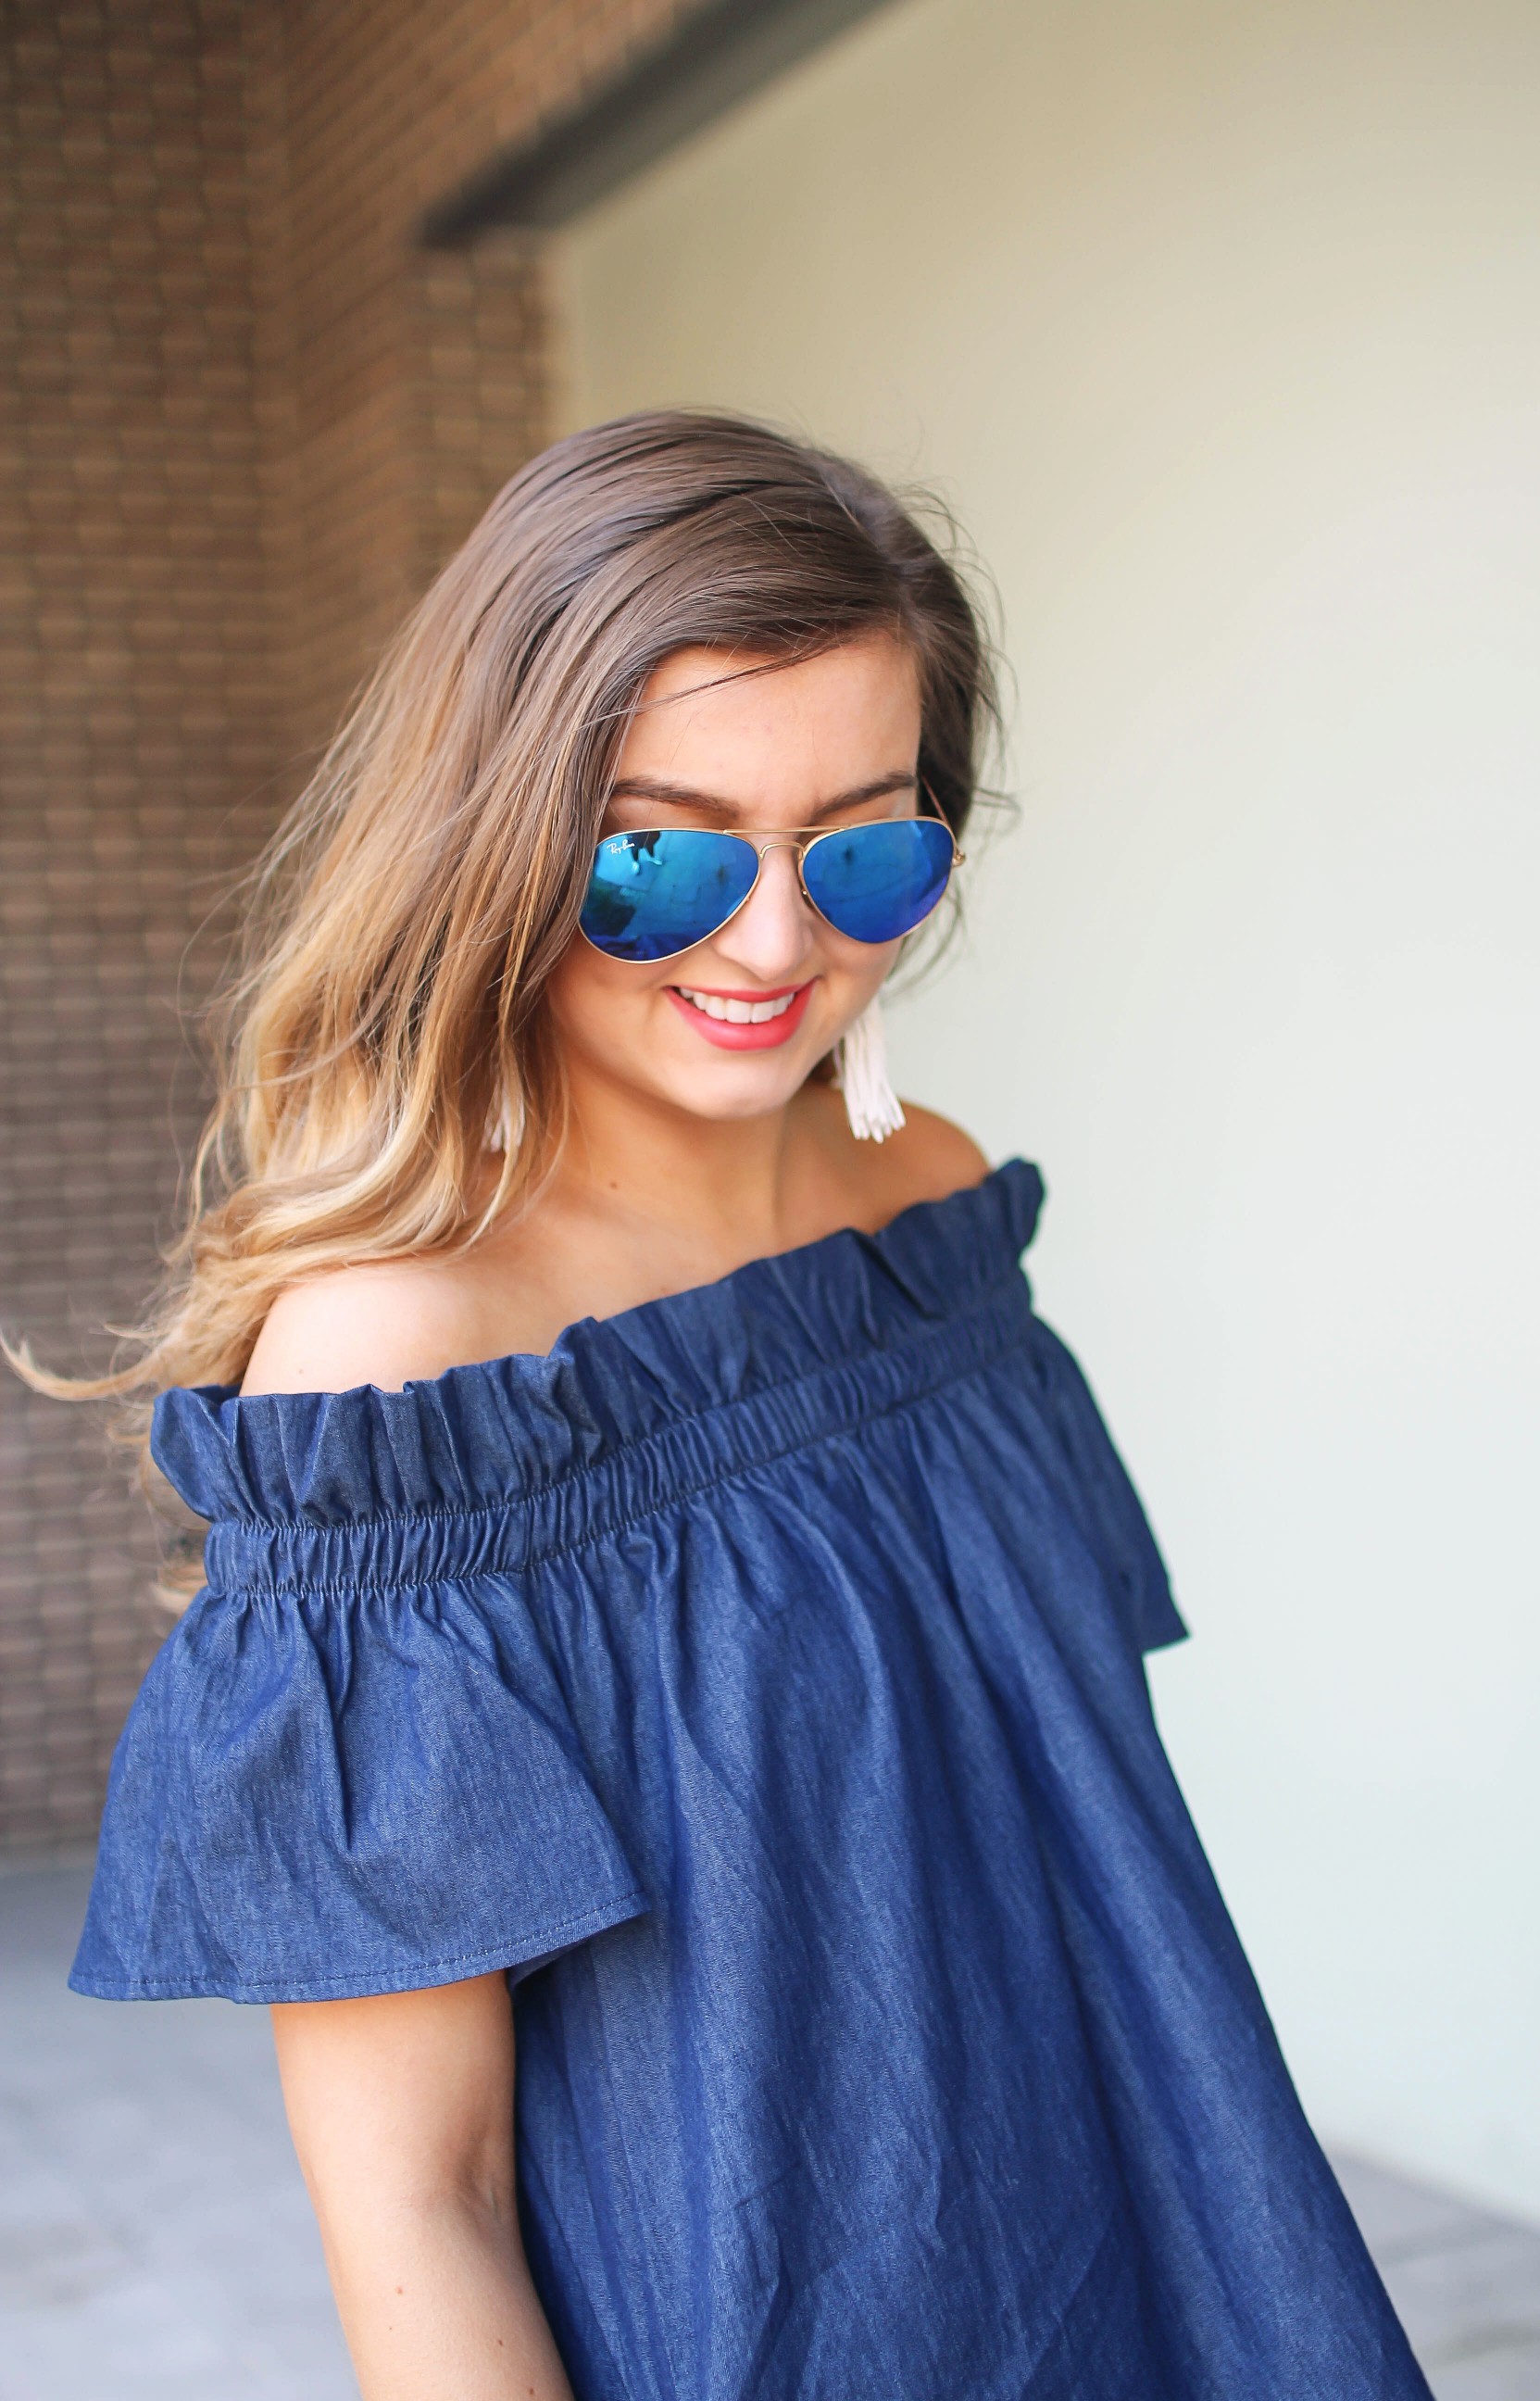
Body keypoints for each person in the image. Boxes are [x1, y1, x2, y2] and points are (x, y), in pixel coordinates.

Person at [41, 413, 1428, 2399]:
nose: (775, 944)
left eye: (861, 847)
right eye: (657, 854)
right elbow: (424, 2198)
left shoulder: (931, 1207)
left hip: (1182, 2259)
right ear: (499, 833)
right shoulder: (399, 1377)